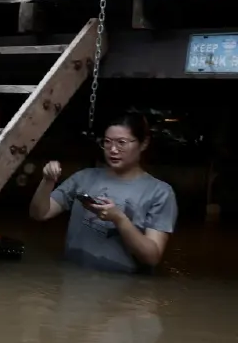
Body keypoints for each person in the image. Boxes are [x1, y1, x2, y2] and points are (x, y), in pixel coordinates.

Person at [29, 112, 177, 273]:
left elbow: (152, 257)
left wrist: (120, 220)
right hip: (73, 280)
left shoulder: (160, 192)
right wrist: (47, 181)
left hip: (122, 284)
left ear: (144, 143)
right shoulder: (84, 178)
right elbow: (39, 214)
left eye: (121, 142)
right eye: (107, 142)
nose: (113, 149)